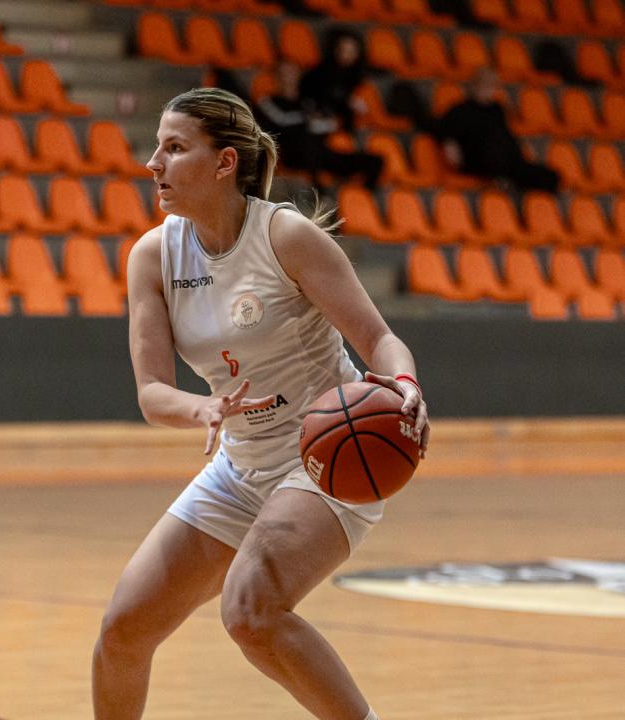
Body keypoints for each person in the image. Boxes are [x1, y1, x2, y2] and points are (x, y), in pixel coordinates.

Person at [91, 87, 430, 720]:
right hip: (239, 462)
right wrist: (201, 409)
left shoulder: (285, 236)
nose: (153, 163)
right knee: (123, 630)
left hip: (324, 455)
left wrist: (405, 385)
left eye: (174, 148)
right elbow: (152, 393)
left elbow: (378, 339)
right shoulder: (153, 255)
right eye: (157, 147)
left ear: (225, 162)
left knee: (250, 610)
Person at [258, 61, 383, 188]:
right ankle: (320, 190)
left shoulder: (307, 102)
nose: (289, 77)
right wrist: (309, 121)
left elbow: (329, 124)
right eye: (285, 73)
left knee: (374, 162)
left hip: (319, 153)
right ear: (276, 77)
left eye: (293, 73)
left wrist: (321, 123)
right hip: (293, 154)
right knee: (308, 144)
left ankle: (360, 195)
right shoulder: (267, 101)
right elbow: (282, 121)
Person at [435, 68, 560, 193]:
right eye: (484, 84)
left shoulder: (497, 109)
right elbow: (441, 129)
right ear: (474, 85)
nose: (487, 89)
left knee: (549, 176)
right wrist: (448, 142)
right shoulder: (460, 110)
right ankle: (501, 180)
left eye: (491, 85)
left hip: (506, 161)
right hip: (478, 159)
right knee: (492, 148)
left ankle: (508, 182)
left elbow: (506, 135)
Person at [298, 27, 369, 132]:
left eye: (351, 51)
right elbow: (311, 97)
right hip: (315, 117)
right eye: (342, 49)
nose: (345, 55)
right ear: (335, 49)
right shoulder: (318, 72)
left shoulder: (358, 76)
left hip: (341, 123)